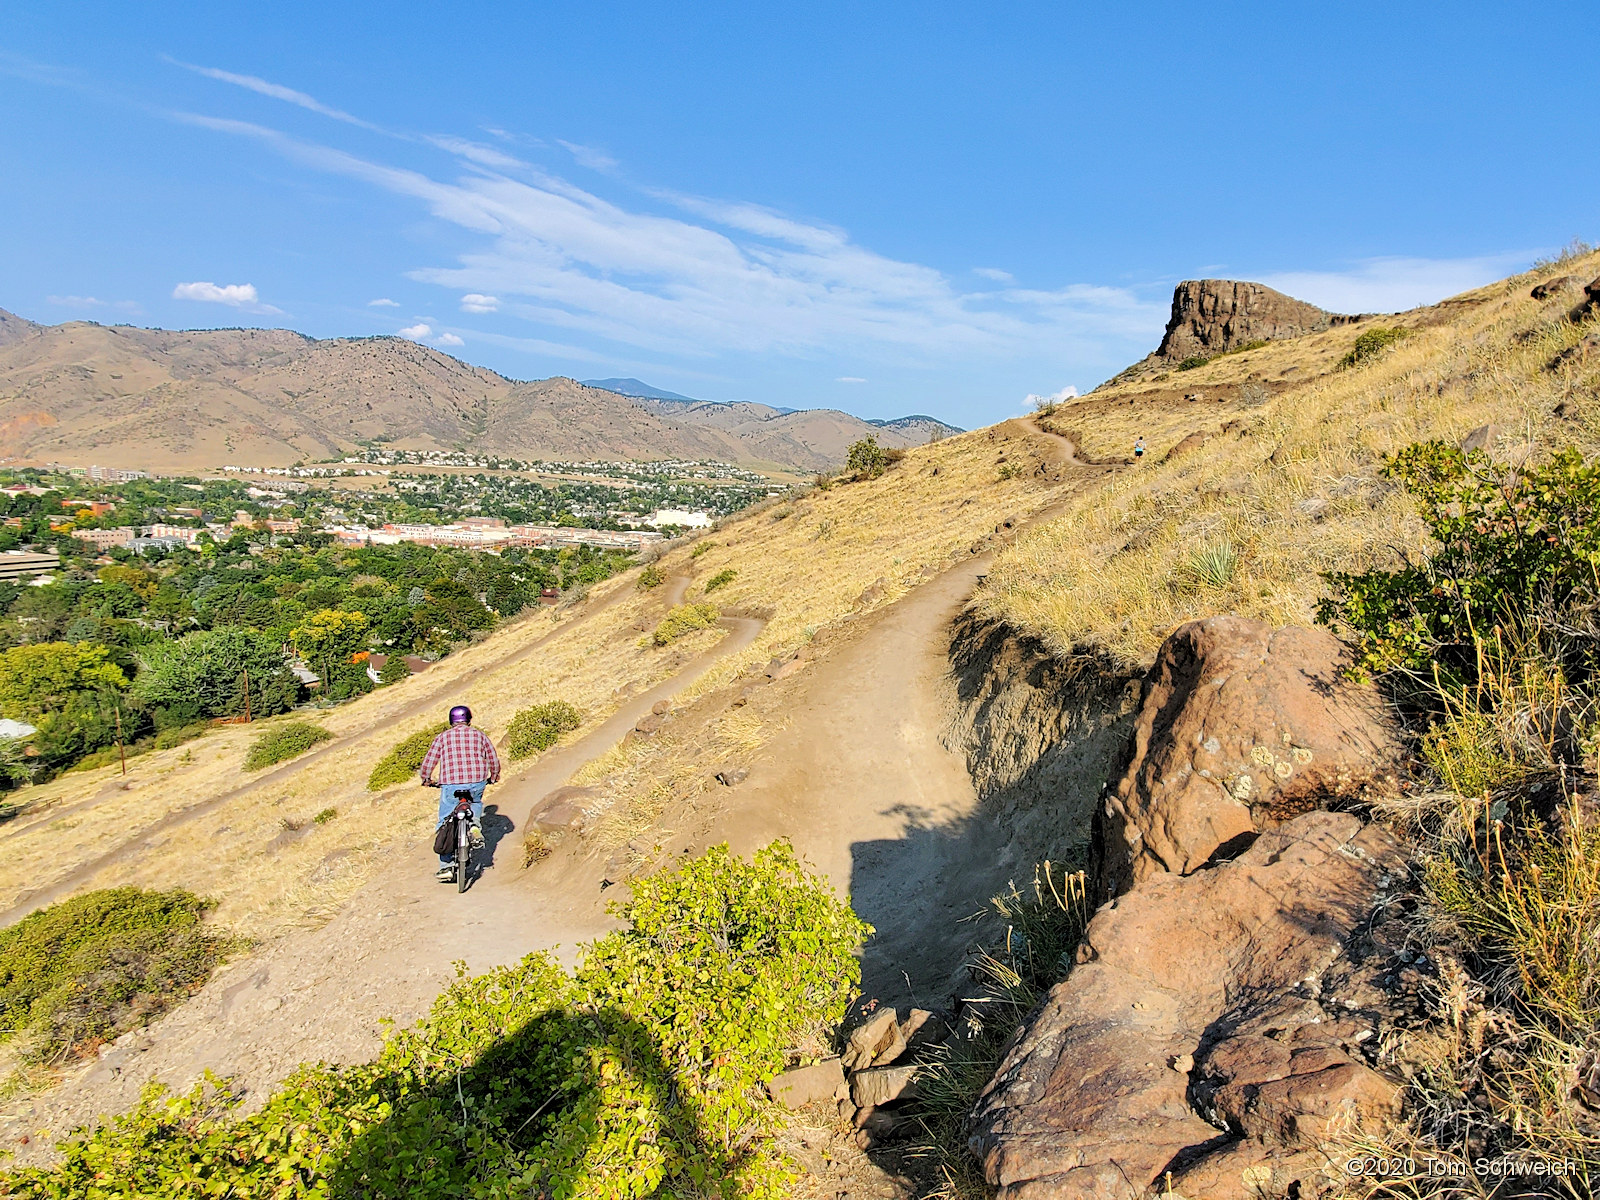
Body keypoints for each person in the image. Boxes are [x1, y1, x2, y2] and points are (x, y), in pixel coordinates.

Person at [419, 705, 501, 881]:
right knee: (475, 804)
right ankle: (474, 827)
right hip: (477, 781)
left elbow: (429, 761)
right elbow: (492, 757)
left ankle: (446, 866)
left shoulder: (442, 737)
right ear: (469, 719)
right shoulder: (479, 735)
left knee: (445, 821)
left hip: (451, 784)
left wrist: (426, 778)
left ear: (451, 721)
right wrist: (493, 775)